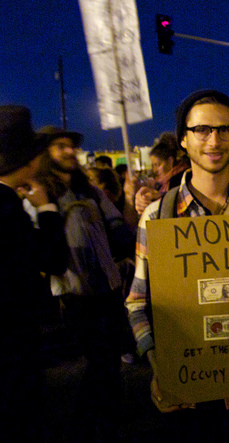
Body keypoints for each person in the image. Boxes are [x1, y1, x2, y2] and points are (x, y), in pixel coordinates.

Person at [125, 90, 229, 439]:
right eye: (202, 130)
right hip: (190, 398)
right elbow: (137, 302)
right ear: (184, 138)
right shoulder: (157, 216)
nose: (214, 140)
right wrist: (160, 369)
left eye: (225, 130)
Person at [35, 125, 133, 440]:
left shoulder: (90, 191)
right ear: (46, 154)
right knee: (98, 360)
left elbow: (118, 228)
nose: (69, 151)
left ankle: (106, 422)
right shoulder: (41, 194)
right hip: (75, 293)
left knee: (110, 358)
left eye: (71, 146)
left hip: (108, 286)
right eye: (59, 146)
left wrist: (130, 208)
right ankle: (87, 425)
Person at [0, 105, 69, 441]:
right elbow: (53, 259)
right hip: (12, 340)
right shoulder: (6, 207)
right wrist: (46, 209)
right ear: (27, 160)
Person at [134, 131, 190, 214]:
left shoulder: (182, 178)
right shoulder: (162, 183)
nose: (155, 170)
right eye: (153, 165)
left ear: (170, 161)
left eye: (158, 164)